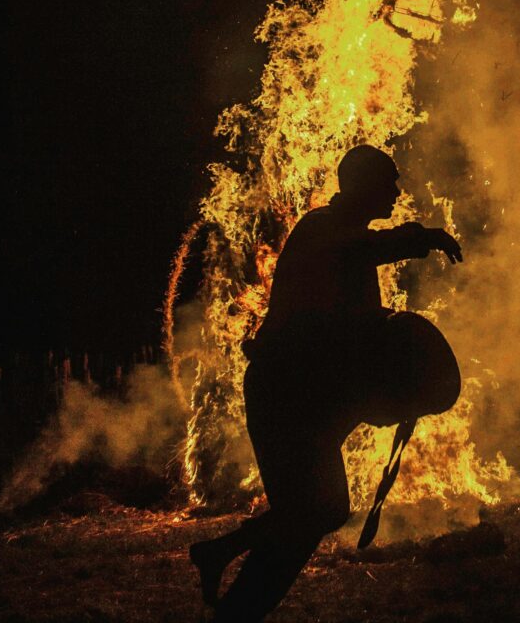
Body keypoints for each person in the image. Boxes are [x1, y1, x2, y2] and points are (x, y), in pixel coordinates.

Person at [189, 144, 462, 620]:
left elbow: (351, 323)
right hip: (283, 392)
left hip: (306, 395)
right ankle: (235, 606)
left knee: (324, 510)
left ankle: (221, 563)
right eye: (389, 181)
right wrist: (421, 238)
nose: (396, 191)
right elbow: (359, 252)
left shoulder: (345, 236)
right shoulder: (323, 229)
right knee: (310, 515)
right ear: (361, 185)